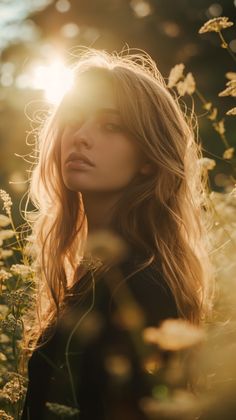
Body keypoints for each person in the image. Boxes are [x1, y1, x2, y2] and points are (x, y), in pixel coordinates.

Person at [20, 47, 215, 420]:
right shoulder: (93, 272)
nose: (80, 137)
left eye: (111, 126)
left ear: (148, 158)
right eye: (74, 120)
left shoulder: (140, 285)